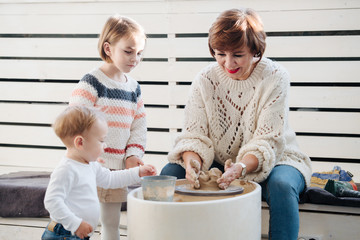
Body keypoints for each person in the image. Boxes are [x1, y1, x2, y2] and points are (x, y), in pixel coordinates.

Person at [160, 8, 312, 240]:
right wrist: (192, 163)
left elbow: (267, 141)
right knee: (171, 172)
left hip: (277, 159)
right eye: (220, 53)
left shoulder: (275, 76)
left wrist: (240, 167)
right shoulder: (204, 80)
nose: (228, 63)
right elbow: (194, 135)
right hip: (220, 163)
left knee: (281, 186)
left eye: (237, 55)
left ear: (255, 50)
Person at [69, 15, 148, 240]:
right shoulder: (92, 82)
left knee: (111, 222)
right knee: (85, 221)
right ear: (108, 48)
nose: (135, 58)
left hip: (117, 171)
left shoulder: (134, 88)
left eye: (140, 53)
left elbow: (139, 126)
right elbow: (75, 120)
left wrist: (133, 154)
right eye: (129, 51)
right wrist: (87, 154)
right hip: (90, 168)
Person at [41, 106, 156, 240]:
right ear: (80, 142)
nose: (104, 145)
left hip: (78, 233)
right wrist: (75, 224)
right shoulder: (66, 169)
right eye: (101, 141)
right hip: (65, 234)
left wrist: (138, 172)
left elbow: (110, 179)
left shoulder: (90, 165)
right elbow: (52, 201)